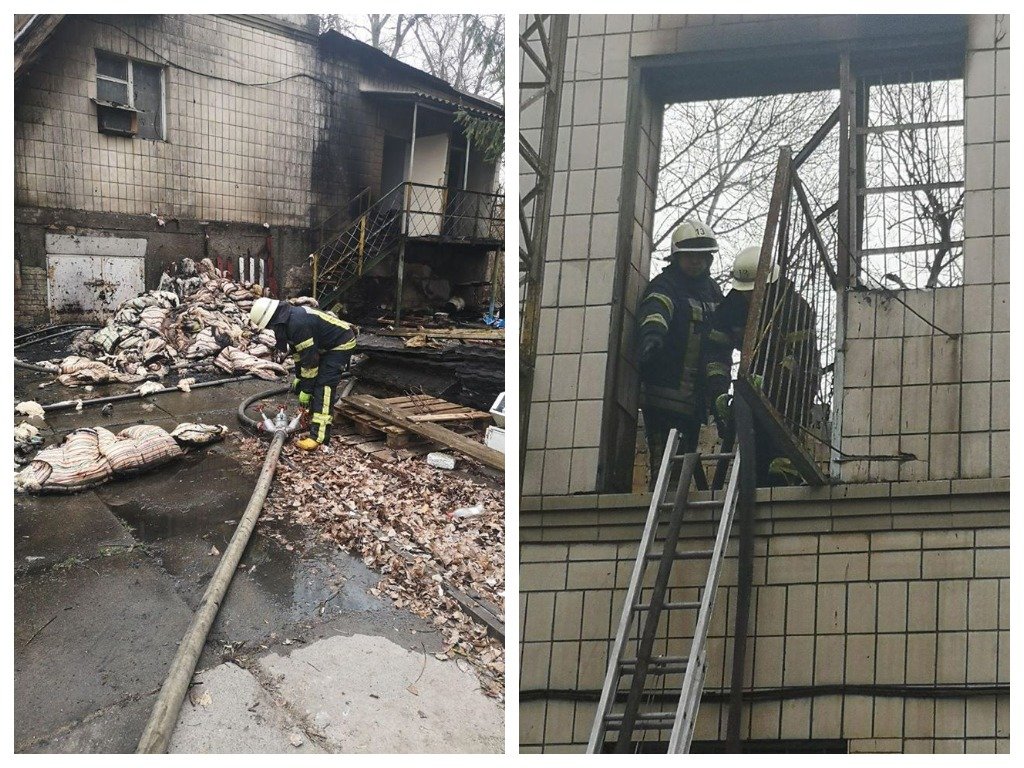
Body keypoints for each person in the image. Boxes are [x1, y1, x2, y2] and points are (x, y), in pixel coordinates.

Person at [703, 245, 819, 485]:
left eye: (756, 290)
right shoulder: (732, 307)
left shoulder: (794, 308)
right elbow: (715, 353)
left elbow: (802, 362)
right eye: (745, 291)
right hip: (751, 393)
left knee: (781, 467)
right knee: (753, 468)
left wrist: (768, 383)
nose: (749, 296)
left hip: (791, 398)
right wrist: (718, 394)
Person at [637, 219, 724, 485]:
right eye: (690, 257)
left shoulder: (713, 292)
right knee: (665, 463)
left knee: (685, 461)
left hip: (694, 400)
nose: (696, 263)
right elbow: (657, 310)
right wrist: (652, 336)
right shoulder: (666, 285)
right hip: (664, 397)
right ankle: (661, 515)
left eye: (702, 257)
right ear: (677, 257)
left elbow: (721, 337)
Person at [249, 297, 357, 450]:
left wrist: (306, 390)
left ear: (271, 320)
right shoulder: (288, 319)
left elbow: (310, 362)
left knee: (324, 386)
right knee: (312, 380)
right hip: (326, 344)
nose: (272, 330)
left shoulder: (298, 324)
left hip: (341, 343)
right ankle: (311, 417)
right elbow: (299, 355)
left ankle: (319, 437)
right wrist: (300, 377)